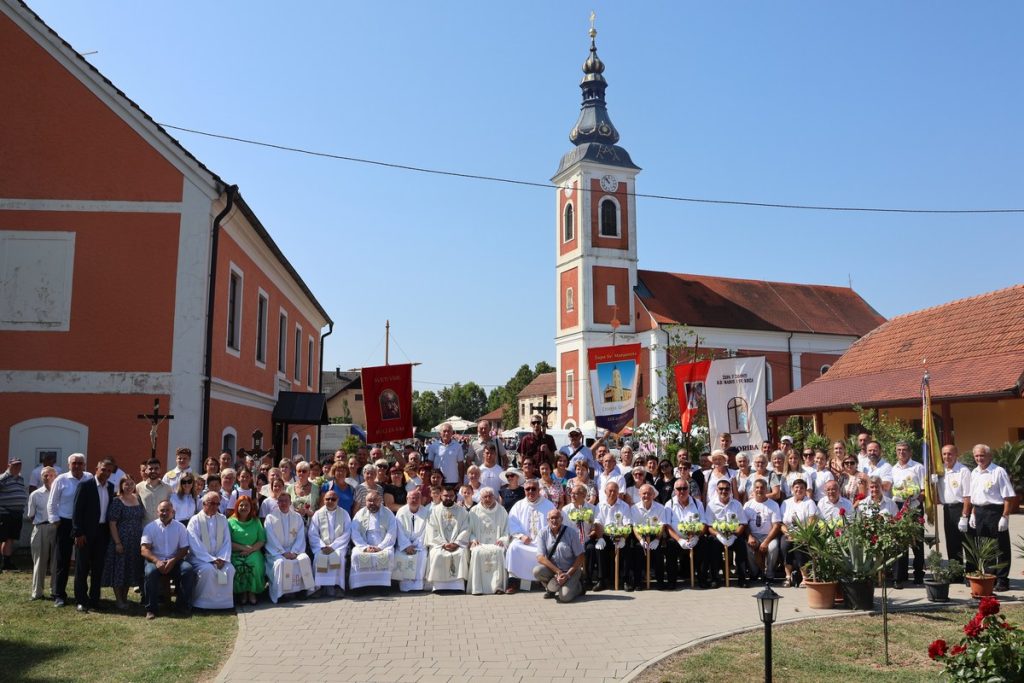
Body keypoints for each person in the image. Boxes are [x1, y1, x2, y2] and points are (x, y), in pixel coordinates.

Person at [963, 443, 1016, 592]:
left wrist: (1005, 516)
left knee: (1001, 547)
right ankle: (990, 577)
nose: (979, 458)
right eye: (976, 456)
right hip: (979, 512)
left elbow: (1008, 496)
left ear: (989, 456)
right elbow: (975, 496)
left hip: (995, 512)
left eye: (982, 455)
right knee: (986, 548)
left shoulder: (998, 471)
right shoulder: (974, 472)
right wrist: (973, 514)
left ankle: (1003, 579)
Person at [47, 453, 92, 606]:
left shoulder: (89, 478)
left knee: (82, 562)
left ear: (84, 464)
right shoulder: (61, 479)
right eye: (74, 463)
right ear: (69, 465)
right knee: (62, 560)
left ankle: (81, 596)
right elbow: (52, 502)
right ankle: (59, 595)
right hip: (65, 523)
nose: (77, 466)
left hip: (83, 525)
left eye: (80, 463)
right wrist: (55, 520)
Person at [71, 458, 114, 612]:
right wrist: (78, 532)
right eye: (103, 469)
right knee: (82, 568)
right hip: (85, 533)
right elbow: (76, 511)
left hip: (102, 532)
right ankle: (81, 600)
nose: (106, 473)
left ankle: (95, 600)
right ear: (96, 469)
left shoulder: (111, 487)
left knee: (98, 568)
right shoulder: (85, 486)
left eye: (109, 471)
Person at [140, 500, 194, 620]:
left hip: (175, 561)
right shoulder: (150, 527)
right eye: (162, 510)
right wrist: (157, 561)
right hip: (154, 561)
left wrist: (173, 561)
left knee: (188, 570)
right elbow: (144, 550)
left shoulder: (180, 527)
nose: (164, 513)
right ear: (157, 512)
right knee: (150, 572)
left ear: (173, 512)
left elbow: (184, 549)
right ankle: (151, 609)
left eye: (167, 510)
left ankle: (182, 606)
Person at [505, 479, 556, 593]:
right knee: (513, 548)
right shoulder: (518, 505)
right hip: (524, 542)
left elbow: (555, 524)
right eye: (528, 489)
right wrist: (521, 536)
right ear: (524, 491)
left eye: (533, 489)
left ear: (539, 490)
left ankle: (543, 580)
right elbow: (512, 523)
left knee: (549, 550)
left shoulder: (548, 505)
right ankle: (513, 581)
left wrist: (544, 539)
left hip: (542, 542)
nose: (531, 491)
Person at [102, 476, 145, 609]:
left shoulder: (137, 498)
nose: (129, 486)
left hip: (135, 540)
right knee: (119, 569)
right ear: (121, 486)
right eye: (126, 484)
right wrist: (117, 543)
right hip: (122, 539)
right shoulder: (117, 501)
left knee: (129, 569)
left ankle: (125, 598)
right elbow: (112, 523)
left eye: (131, 484)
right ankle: (119, 600)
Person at [264, 492, 315, 602]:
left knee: (304, 558)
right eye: (281, 501)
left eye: (285, 501)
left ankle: (302, 590)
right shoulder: (270, 518)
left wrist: (294, 552)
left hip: (294, 551)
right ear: (277, 503)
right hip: (277, 552)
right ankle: (281, 594)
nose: (283, 503)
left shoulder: (297, 517)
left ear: (290, 502)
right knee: (281, 563)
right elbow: (271, 538)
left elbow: (301, 536)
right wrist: (283, 552)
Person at [533, 508, 586, 603]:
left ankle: (579, 587)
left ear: (561, 519)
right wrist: (558, 572)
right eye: (552, 518)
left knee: (564, 597)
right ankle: (551, 589)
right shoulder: (542, 533)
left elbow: (581, 556)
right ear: (548, 520)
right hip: (555, 571)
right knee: (537, 571)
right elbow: (540, 557)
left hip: (571, 570)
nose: (554, 520)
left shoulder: (571, 532)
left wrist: (567, 574)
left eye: (557, 518)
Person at [891, 441, 925, 587]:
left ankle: (918, 574)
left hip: (915, 506)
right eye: (899, 450)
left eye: (904, 450)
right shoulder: (893, 468)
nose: (901, 452)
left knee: (916, 541)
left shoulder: (918, 467)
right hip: (898, 506)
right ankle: (901, 575)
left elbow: (923, 490)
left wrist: (915, 502)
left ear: (910, 452)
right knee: (900, 541)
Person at [705, 477, 749, 588]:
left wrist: (735, 535)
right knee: (712, 544)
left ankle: (742, 578)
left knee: (741, 544)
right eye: (721, 489)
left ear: (730, 490)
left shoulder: (737, 504)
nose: (724, 491)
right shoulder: (711, 505)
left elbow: (743, 523)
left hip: (734, 535)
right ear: (717, 490)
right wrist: (718, 535)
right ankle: (715, 578)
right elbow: (709, 526)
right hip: (718, 536)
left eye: (726, 489)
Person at [349, 491, 398, 590]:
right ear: (365, 501)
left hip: (383, 546)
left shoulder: (388, 513)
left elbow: (391, 533)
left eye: (375, 500)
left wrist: (380, 547)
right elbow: (354, 532)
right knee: (356, 555)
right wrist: (365, 547)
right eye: (369, 501)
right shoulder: (360, 514)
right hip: (364, 546)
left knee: (388, 555)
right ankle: (359, 587)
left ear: (380, 501)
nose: (372, 503)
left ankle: (383, 586)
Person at [425, 487, 471, 592]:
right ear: (441, 496)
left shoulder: (462, 511)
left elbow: (466, 529)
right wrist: (443, 544)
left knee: (460, 553)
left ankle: (458, 586)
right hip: (439, 544)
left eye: (451, 496)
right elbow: (431, 529)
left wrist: (456, 543)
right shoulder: (434, 511)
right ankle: (438, 586)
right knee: (437, 554)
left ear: (455, 496)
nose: (449, 498)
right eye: (446, 495)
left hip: (457, 545)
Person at [307, 490, 352, 597]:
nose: (330, 501)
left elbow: (347, 533)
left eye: (333, 499)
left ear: (338, 500)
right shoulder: (318, 514)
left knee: (339, 557)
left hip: (338, 547)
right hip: (321, 547)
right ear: (324, 500)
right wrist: (322, 546)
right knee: (318, 557)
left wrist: (333, 546)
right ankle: (319, 588)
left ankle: (338, 587)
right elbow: (312, 533)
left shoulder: (344, 514)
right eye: (328, 499)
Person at [665, 477, 707, 588]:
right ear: (674, 491)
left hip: (694, 537)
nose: (682, 491)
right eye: (679, 489)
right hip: (677, 539)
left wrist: (696, 537)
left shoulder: (698, 504)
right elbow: (668, 526)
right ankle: (671, 581)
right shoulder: (669, 504)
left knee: (703, 542)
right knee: (670, 545)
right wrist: (679, 540)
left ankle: (702, 579)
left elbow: (703, 523)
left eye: (684, 488)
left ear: (689, 489)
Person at [468, 487, 509, 595]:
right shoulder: (474, 511)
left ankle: (498, 587)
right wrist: (473, 540)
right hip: (479, 543)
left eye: (490, 496)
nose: (488, 499)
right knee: (477, 552)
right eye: (485, 497)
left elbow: (506, 530)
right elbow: (469, 530)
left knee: (499, 551)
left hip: (496, 543)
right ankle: (477, 588)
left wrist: (502, 540)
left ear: (494, 497)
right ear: (480, 498)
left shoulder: (501, 511)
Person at [935, 444, 971, 564]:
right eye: (944, 454)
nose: (947, 456)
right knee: (951, 542)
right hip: (947, 509)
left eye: (950, 454)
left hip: (961, 508)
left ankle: (971, 571)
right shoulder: (940, 471)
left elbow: (967, 495)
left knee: (967, 543)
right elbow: (936, 496)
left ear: (956, 455)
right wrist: (933, 482)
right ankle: (955, 570)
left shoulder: (963, 471)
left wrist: (964, 517)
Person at [25, 466, 57, 599]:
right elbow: (31, 515)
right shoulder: (35, 494)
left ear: (55, 477)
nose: (48, 477)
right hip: (40, 528)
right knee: (39, 561)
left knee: (56, 562)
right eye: (45, 475)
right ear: (41, 477)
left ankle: (55, 591)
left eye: (51, 475)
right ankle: (37, 592)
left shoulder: (60, 493)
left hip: (56, 528)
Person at [594, 480, 631, 591]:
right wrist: (600, 538)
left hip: (620, 535)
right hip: (605, 535)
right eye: (610, 490)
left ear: (618, 492)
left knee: (626, 550)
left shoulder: (624, 506)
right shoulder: (599, 505)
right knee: (599, 549)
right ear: (605, 492)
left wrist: (623, 538)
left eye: (615, 491)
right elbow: (598, 523)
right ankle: (601, 580)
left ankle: (626, 580)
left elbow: (627, 524)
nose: (612, 493)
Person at [779, 479, 818, 587]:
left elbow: (811, 521)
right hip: (788, 533)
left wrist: (800, 534)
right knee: (784, 545)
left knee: (799, 545)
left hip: (804, 534)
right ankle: (788, 577)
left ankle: (805, 577)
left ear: (805, 490)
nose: (799, 490)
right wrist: (788, 533)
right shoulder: (786, 503)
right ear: (792, 489)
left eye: (802, 488)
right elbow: (781, 523)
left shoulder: (809, 502)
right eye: (796, 487)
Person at [630, 484, 669, 589]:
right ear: (639, 494)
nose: (646, 496)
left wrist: (657, 540)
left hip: (655, 536)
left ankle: (660, 581)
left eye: (649, 493)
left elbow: (662, 525)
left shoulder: (660, 508)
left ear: (653, 495)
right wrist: (641, 540)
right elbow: (634, 527)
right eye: (644, 493)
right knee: (638, 551)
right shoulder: (634, 508)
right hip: (640, 537)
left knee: (658, 554)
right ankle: (637, 582)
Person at [742, 479, 782, 582]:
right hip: (753, 535)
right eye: (757, 487)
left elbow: (776, 525)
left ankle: (769, 574)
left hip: (768, 536)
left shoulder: (773, 505)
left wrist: (766, 541)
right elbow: (745, 524)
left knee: (773, 547)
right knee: (748, 546)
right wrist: (750, 536)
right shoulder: (748, 505)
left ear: (767, 489)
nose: (759, 490)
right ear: (753, 489)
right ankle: (754, 573)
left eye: (762, 488)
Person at [228, 495, 265, 606]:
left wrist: (251, 550)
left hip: (253, 551)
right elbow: (227, 542)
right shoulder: (230, 522)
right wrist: (243, 548)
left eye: (247, 505)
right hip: (236, 552)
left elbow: (261, 540)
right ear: (237, 506)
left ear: (251, 507)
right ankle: (243, 592)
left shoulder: (256, 521)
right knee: (237, 564)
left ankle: (252, 592)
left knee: (255, 563)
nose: (244, 508)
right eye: (241, 505)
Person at [393, 488, 429, 592]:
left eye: (417, 498)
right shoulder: (401, 511)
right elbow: (399, 531)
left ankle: (418, 586)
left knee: (422, 556)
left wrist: (417, 544)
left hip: (420, 545)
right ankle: (405, 586)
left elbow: (426, 530)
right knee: (400, 555)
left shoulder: (426, 512)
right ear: (407, 499)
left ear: (421, 499)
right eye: (412, 498)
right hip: (404, 545)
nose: (414, 500)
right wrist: (407, 545)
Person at [0, 457, 28, 572]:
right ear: (9, 465)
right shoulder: (3, 478)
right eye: (15, 465)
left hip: (17, 514)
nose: (17, 467)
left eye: (19, 465)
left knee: (10, 538)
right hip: (4, 513)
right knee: (2, 537)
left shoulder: (20, 478)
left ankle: (7, 563)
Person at [138, 458, 172, 526]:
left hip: (162, 527)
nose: (153, 471)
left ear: (160, 470)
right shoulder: (138, 487)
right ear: (146, 470)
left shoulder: (168, 488)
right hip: (145, 527)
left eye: (156, 468)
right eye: (150, 469)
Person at [287, 461, 319, 526]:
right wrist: (296, 511)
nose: (301, 473)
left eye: (304, 471)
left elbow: (319, 509)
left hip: (311, 524)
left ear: (308, 473)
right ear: (296, 473)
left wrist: (308, 512)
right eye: (299, 471)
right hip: (293, 524)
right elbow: (286, 506)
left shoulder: (316, 488)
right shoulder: (290, 488)